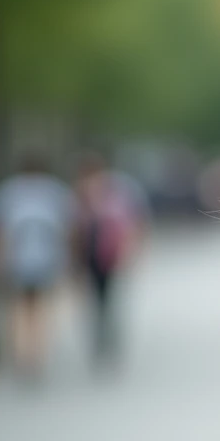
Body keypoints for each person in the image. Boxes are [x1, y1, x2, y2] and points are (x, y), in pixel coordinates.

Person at [0, 154, 77, 381]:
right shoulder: (55, 191)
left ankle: (23, 353)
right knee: (40, 309)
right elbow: (69, 230)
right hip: (46, 260)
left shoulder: (8, 192)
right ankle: (36, 354)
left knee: (19, 309)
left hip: (16, 260)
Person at [74, 151, 149, 366]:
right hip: (96, 255)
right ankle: (103, 337)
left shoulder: (115, 191)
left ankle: (106, 338)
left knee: (106, 298)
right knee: (100, 299)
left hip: (106, 254)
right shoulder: (89, 194)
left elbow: (134, 223)